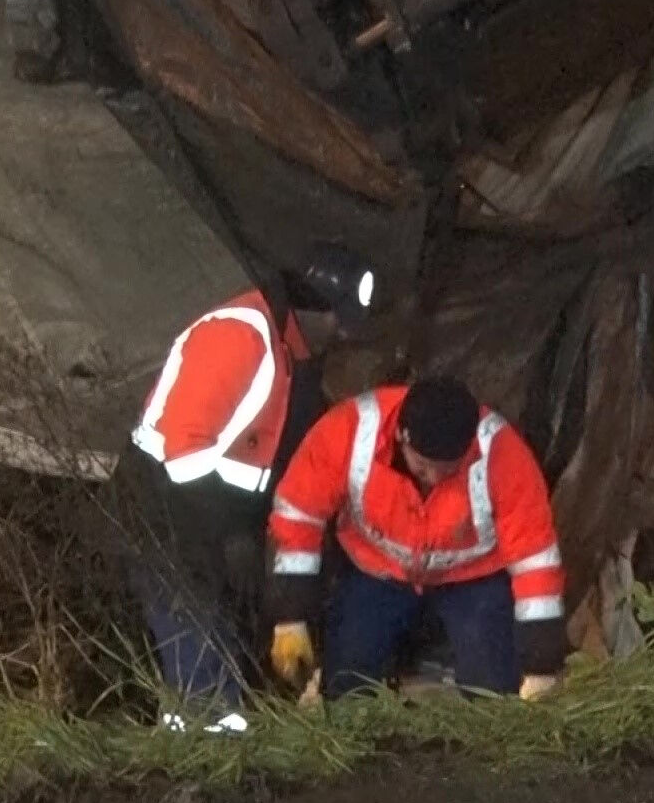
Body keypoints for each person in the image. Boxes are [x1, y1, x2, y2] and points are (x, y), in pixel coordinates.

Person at [119, 243, 378, 731]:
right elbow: (184, 450)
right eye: (338, 321)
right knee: (199, 640)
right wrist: (226, 533)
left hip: (205, 518)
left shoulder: (290, 357)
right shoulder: (241, 338)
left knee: (218, 641)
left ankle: (199, 750)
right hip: (164, 511)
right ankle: (210, 756)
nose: (342, 334)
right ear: (311, 307)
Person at [264, 377, 567, 701]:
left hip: (471, 578)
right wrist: (289, 618)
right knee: (347, 677)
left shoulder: (503, 454)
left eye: (448, 470)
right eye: (423, 468)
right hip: (377, 571)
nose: (435, 479)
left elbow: (535, 559)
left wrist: (541, 667)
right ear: (400, 437)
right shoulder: (349, 431)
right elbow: (297, 517)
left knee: (493, 686)